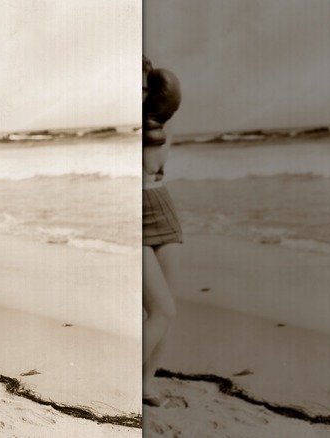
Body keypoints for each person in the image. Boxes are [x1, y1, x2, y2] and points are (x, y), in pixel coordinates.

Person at [142, 54, 183, 408]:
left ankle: (146, 382)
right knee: (162, 310)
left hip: (161, 207)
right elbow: (149, 164)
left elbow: (158, 168)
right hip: (135, 213)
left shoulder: (156, 123)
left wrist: (156, 122)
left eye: (143, 87)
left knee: (167, 309)